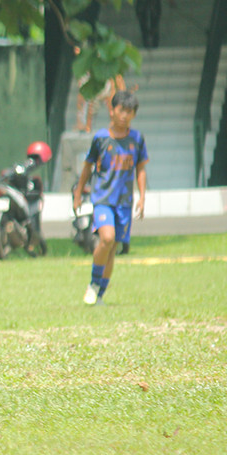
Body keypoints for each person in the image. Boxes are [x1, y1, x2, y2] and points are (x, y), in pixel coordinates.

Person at [72, 90, 148, 306]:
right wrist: (78, 192)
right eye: (121, 110)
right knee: (106, 238)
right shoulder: (101, 138)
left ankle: (100, 296)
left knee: (112, 247)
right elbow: (88, 166)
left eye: (130, 112)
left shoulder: (137, 139)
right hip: (103, 199)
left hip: (124, 202)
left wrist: (142, 197)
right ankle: (94, 284)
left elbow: (141, 169)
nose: (125, 115)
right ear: (112, 110)